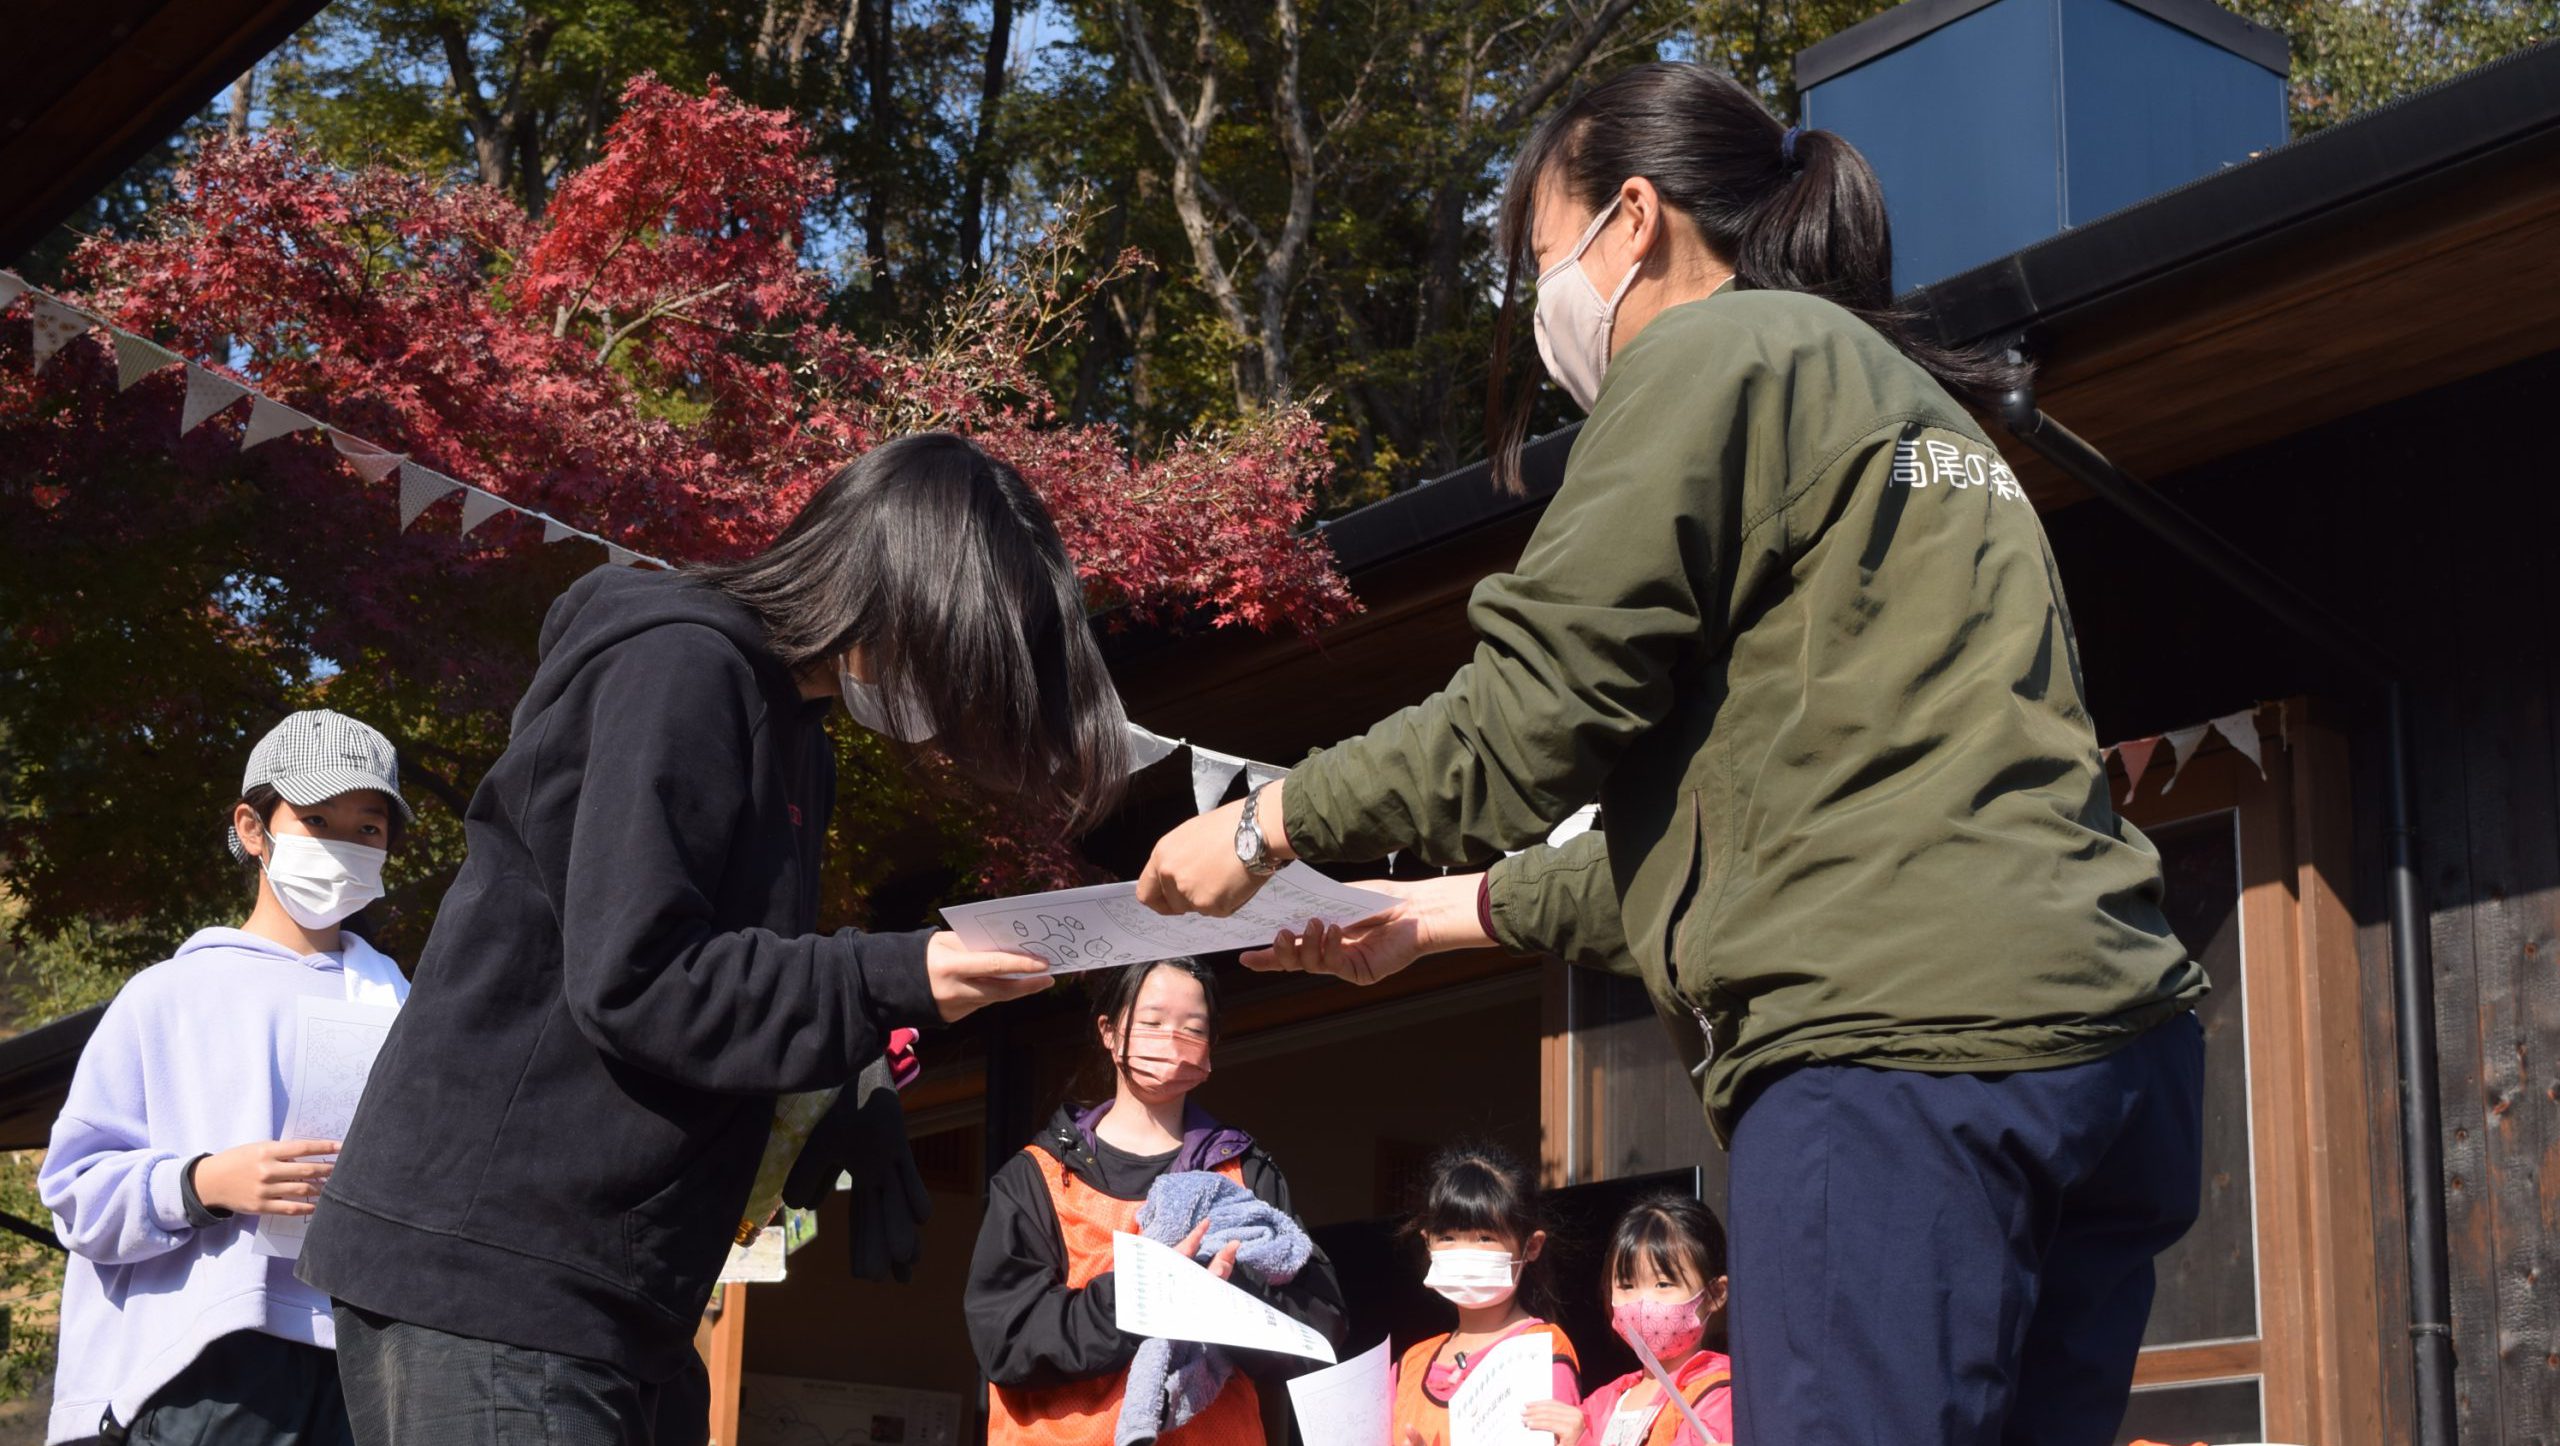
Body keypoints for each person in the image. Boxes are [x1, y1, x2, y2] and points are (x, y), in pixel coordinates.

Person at [1136, 60, 2208, 1446]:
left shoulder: (1712, 353)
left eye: (1541, 257)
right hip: (2111, 1051)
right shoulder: (1918, 410)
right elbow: (1756, 815)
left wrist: (1263, 824)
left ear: (1630, 220)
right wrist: (1434, 915)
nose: (1545, 308)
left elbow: (1528, 721)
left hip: (1896, 1057)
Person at [299, 433, 1124, 1443]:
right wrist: (900, 973)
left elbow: (705, 990)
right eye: (958, 657)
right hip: (499, 1266)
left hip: (616, 1287)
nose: (950, 699)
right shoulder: (679, 667)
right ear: (900, 591)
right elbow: (640, 977)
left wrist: (845, 1076)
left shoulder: (794, 734)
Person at [42, 710, 415, 1446]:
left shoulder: (407, 1003)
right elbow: (73, 1193)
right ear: (253, 828)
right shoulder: (169, 996)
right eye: (316, 819)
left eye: (368, 828)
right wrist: (201, 1183)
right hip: (212, 1364)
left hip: (372, 1359)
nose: (344, 846)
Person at [966, 957, 1347, 1446]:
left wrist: (1229, 1299)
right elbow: (1007, 1340)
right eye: (1151, 1023)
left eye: (1193, 1028)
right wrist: (1147, 1293)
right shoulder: (1035, 1177)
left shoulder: (1243, 1174)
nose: (1170, 1041)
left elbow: (1319, 1330)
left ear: (1211, 1046)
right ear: (1109, 1030)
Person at [1393, 1144, 1580, 1446]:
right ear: (1428, 1243)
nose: (1465, 1251)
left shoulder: (1539, 1349)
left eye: (1485, 1238)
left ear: (1531, 1246)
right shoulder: (1409, 1365)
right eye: (1448, 1237)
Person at [1561, 1195, 1734, 1446]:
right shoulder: (1601, 1404)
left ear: (1715, 1294)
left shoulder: (1720, 1395)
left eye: (1663, 1284)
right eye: (1627, 1285)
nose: (1642, 1303)